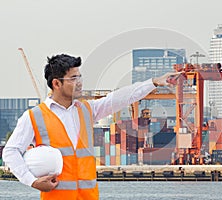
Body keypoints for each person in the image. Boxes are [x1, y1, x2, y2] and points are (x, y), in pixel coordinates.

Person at [3, 54, 179, 200]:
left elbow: (119, 98)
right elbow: (10, 152)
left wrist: (154, 82)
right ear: (56, 84)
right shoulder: (34, 116)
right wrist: (32, 181)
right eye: (73, 78)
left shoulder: (87, 110)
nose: (79, 82)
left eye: (80, 77)